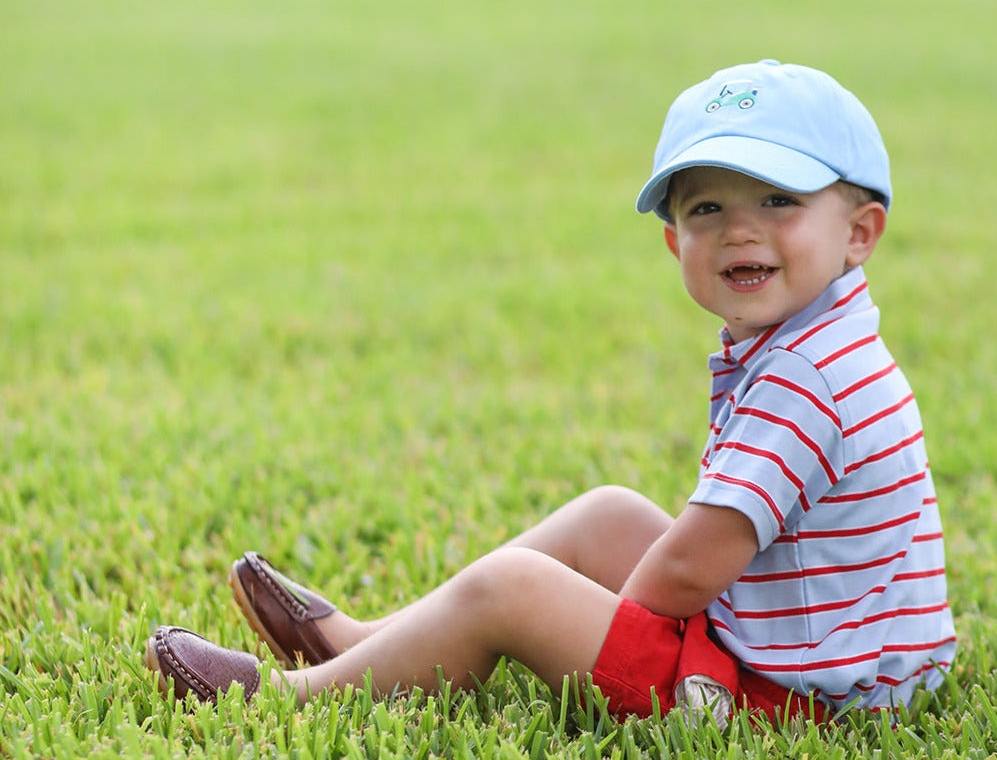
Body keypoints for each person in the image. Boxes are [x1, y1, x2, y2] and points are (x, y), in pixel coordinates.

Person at [146, 59, 956, 723]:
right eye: (707, 208)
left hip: (792, 701)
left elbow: (692, 566)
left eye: (778, 200)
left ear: (859, 231)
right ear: (674, 242)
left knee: (514, 590)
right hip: (840, 662)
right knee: (608, 514)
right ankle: (375, 642)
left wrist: (602, 631)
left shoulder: (805, 379)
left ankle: (294, 698)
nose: (739, 229)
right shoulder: (827, 341)